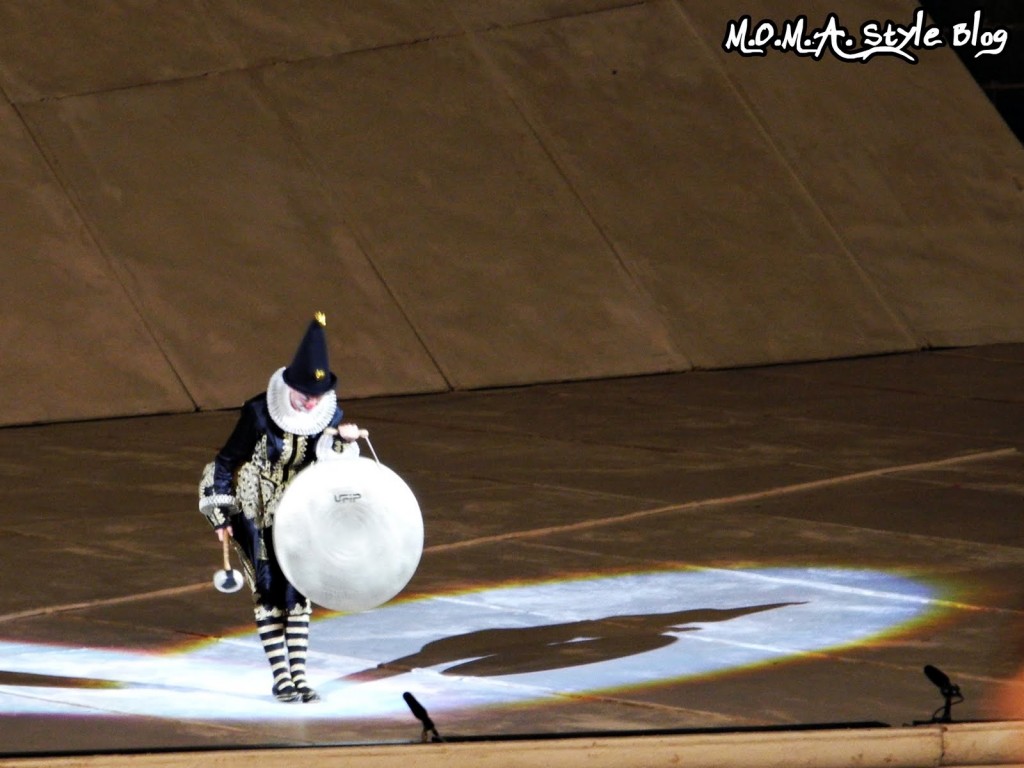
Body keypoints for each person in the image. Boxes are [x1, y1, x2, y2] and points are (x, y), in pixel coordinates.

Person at [198, 312, 361, 702]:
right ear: (290, 387)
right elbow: (226, 461)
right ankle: (281, 676)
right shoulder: (258, 412)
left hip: (299, 511)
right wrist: (220, 510)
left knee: (299, 589)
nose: (310, 404)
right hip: (256, 511)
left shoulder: (328, 415)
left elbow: (329, 461)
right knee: (270, 591)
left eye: (317, 397)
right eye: (305, 396)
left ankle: (301, 675)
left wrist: (342, 440)